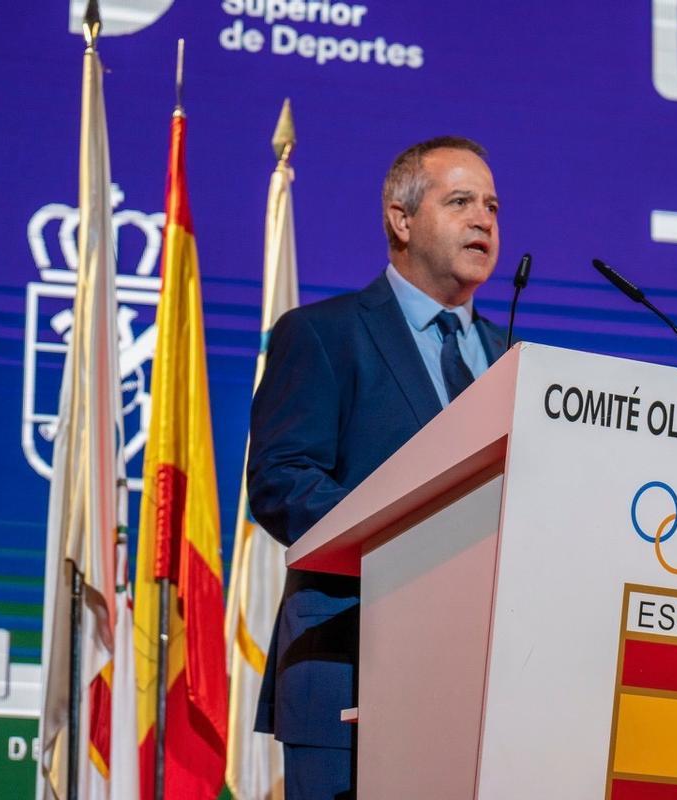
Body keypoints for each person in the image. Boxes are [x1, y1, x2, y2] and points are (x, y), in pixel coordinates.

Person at [246, 135, 507, 800]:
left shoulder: (517, 363)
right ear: (401, 217)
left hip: (483, 685)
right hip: (348, 663)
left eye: (492, 206)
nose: (484, 219)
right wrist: (407, 540)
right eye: (460, 202)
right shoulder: (324, 335)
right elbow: (282, 481)